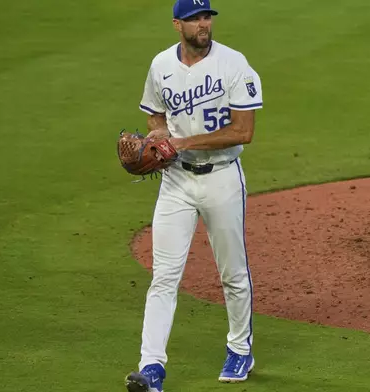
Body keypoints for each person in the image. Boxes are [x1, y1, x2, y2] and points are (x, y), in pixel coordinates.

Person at [124, 0, 263, 391]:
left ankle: (240, 349)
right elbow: (154, 113)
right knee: (164, 277)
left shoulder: (234, 64)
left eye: (207, 17)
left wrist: (183, 141)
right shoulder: (161, 65)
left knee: (232, 274)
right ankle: (151, 369)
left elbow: (243, 131)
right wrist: (157, 135)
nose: (203, 24)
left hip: (222, 179)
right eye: (194, 19)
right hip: (176, 182)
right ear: (177, 24)